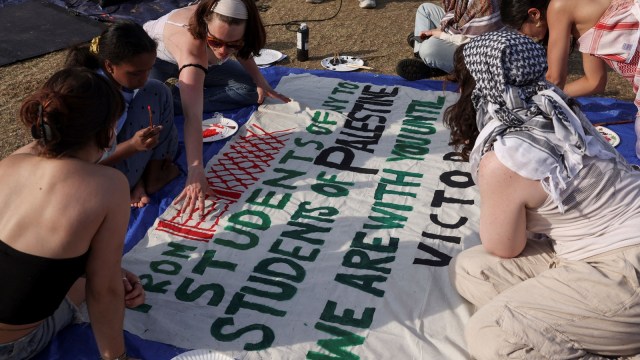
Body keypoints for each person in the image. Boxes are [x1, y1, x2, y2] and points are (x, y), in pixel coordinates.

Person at [444, 29, 640, 359]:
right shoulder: (560, 108)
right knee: (471, 268)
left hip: (624, 270)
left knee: (491, 333)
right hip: (597, 254)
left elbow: (505, 246)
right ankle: (584, 326)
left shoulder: (504, 158)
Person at [0, 68, 145, 360]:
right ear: (107, 131)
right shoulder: (109, 186)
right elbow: (103, 291)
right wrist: (117, 357)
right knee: (92, 280)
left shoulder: (10, 163)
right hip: (10, 346)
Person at [142, 0, 290, 216]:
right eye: (216, 41)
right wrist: (195, 169)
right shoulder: (193, 47)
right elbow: (193, 117)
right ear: (204, 26)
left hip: (201, 61)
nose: (223, 51)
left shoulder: (226, 27)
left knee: (251, 90)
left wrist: (260, 80)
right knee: (152, 112)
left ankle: (177, 95)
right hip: (156, 59)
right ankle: (172, 98)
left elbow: (242, 49)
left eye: (233, 45)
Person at [65, 21, 180, 208]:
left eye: (149, 70)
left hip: (107, 164)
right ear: (110, 66)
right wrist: (133, 146)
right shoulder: (95, 99)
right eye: (136, 73)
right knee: (157, 95)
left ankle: (145, 178)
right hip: (94, 179)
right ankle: (140, 181)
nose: (143, 79)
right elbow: (81, 166)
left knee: (156, 90)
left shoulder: (110, 81)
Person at [544, 0, 640, 158]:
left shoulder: (559, 5)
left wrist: (530, 103)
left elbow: (554, 80)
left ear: (534, 15)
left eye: (520, 31)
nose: (525, 38)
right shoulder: (587, 18)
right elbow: (594, 82)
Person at [395, 0, 503, 81]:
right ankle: (422, 58)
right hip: (460, 31)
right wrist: (441, 29)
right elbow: (456, 15)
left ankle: (433, 64)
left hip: (478, 55)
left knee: (429, 48)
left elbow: (477, 44)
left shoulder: (486, 4)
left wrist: (442, 35)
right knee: (425, 9)